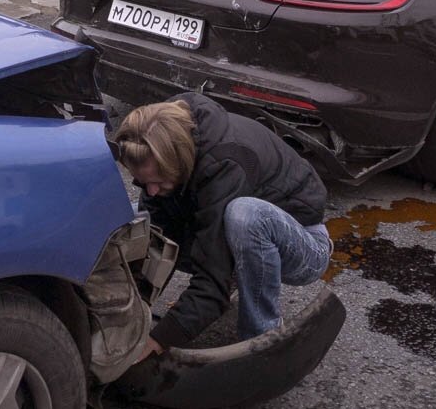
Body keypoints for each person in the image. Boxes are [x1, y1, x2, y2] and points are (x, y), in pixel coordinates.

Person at [112, 92, 332, 360]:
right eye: (144, 182)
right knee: (134, 217)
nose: (152, 190)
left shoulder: (225, 163)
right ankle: (235, 276)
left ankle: (262, 340)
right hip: (239, 235)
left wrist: (159, 340)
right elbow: (157, 240)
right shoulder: (165, 142)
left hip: (304, 246)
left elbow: (211, 283)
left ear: (178, 160)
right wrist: (131, 316)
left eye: (157, 180)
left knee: (244, 215)